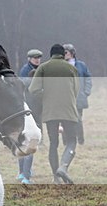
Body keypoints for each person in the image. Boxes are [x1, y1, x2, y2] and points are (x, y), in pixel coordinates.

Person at [29, 44, 80, 184]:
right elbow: (76, 90)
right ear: (63, 54)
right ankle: (63, 167)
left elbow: (33, 89)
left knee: (53, 143)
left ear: (50, 54)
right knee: (71, 141)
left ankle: (55, 177)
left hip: (50, 111)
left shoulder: (43, 67)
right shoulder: (71, 68)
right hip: (68, 110)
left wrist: (46, 98)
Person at [17, 49, 44, 184]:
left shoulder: (41, 69)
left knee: (25, 141)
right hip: (28, 110)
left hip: (36, 108)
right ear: (29, 59)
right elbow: (26, 86)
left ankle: (23, 172)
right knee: (29, 142)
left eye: (38, 57)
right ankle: (25, 175)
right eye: (34, 58)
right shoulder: (24, 71)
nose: (37, 59)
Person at [63, 44, 92, 145]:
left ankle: (80, 140)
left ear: (72, 53)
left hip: (79, 96)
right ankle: (66, 141)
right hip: (65, 97)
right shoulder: (60, 65)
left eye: (66, 52)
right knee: (65, 119)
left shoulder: (81, 65)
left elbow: (88, 78)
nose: (64, 54)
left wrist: (86, 91)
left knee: (78, 119)